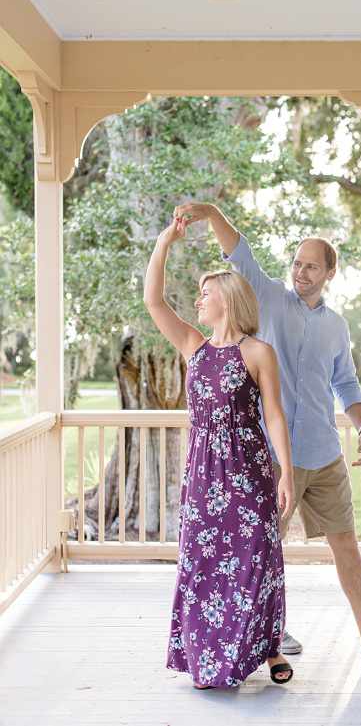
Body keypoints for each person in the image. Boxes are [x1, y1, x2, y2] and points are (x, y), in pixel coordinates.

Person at [172, 201, 361, 667]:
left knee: (345, 541)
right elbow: (239, 255)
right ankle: (270, 633)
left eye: (310, 265)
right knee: (257, 547)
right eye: (297, 263)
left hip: (324, 451)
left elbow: (345, 382)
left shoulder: (336, 326)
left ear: (329, 273)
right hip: (270, 456)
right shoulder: (267, 299)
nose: (300, 271)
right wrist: (210, 212)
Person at [143, 218, 296, 689]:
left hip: (249, 474)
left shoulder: (258, 351)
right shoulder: (194, 346)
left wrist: (286, 473)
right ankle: (209, 660)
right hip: (204, 475)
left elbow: (273, 415)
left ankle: (269, 648)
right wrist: (162, 243)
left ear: (226, 298)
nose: (198, 300)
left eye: (205, 294)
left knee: (256, 562)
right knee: (204, 565)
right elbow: (153, 300)